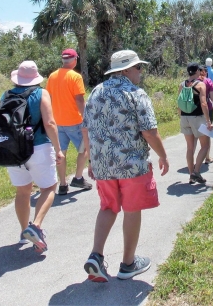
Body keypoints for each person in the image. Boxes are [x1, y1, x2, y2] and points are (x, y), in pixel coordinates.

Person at [82, 50, 169, 282]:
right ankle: (128, 264)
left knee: (108, 207)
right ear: (126, 70)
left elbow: (85, 128)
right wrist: (163, 156)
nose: (140, 71)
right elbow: (149, 132)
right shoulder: (136, 94)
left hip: (103, 166)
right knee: (131, 209)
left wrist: (91, 159)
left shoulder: (96, 92)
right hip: (131, 166)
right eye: (138, 67)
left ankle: (96, 255)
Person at [0, 61, 65, 252]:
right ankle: (35, 226)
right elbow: (50, 123)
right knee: (49, 187)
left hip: (13, 149)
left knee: (22, 191)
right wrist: (58, 149)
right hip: (38, 147)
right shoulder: (41, 94)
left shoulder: (6, 95)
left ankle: (23, 232)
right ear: (36, 78)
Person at [46, 48, 91, 195]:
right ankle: (78, 177)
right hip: (75, 121)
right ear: (75, 60)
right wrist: (86, 117)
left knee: (60, 152)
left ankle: (63, 184)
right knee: (84, 149)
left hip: (57, 121)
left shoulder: (52, 76)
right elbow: (79, 99)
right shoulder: (75, 76)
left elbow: (48, 98)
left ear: (63, 60)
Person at [178, 62, 213, 184]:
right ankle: (196, 172)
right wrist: (208, 121)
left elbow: (179, 103)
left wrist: (181, 117)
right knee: (205, 145)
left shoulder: (182, 85)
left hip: (184, 118)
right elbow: (204, 103)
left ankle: (190, 174)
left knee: (190, 148)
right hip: (198, 118)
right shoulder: (200, 84)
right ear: (198, 71)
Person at [198, 65, 213, 164]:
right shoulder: (208, 81)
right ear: (204, 71)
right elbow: (212, 97)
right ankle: (207, 157)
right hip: (207, 108)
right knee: (207, 132)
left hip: (195, 111)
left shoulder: (192, 81)